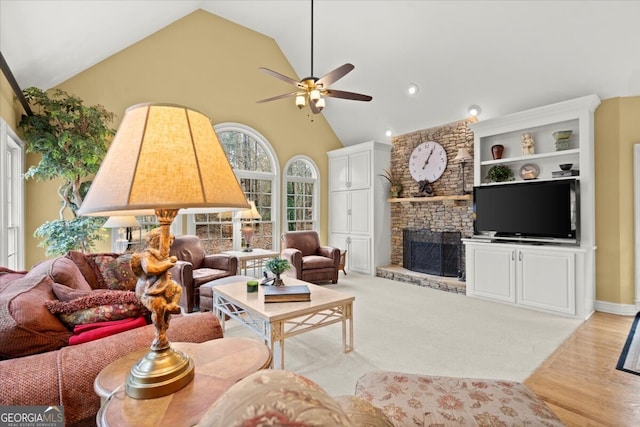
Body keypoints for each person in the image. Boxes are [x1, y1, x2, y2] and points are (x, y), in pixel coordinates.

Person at [130, 228, 182, 350]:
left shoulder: (162, 256)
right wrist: (167, 264)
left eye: (170, 243)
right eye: (167, 242)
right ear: (157, 241)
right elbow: (150, 269)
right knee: (159, 306)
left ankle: (173, 305)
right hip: (150, 288)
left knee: (177, 289)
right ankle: (160, 334)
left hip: (162, 285)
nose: (169, 246)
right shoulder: (147, 255)